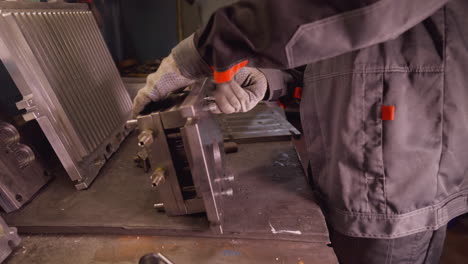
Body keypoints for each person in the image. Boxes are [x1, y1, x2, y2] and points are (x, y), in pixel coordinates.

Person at [132, 0, 468, 263]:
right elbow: (329, 45)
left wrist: (212, 44)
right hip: (346, 168)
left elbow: (351, 8)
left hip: (395, 184)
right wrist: (269, 79)